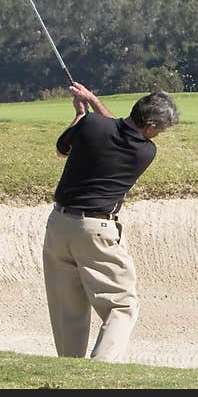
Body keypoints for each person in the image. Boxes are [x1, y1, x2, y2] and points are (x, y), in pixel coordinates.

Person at [43, 82, 179, 361]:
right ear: (151, 128)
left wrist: (83, 111)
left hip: (59, 225)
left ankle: (70, 372)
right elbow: (117, 130)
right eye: (161, 130)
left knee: (68, 309)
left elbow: (64, 148)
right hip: (96, 231)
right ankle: (98, 371)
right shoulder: (145, 151)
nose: (160, 135)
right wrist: (92, 101)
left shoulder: (91, 125)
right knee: (122, 305)